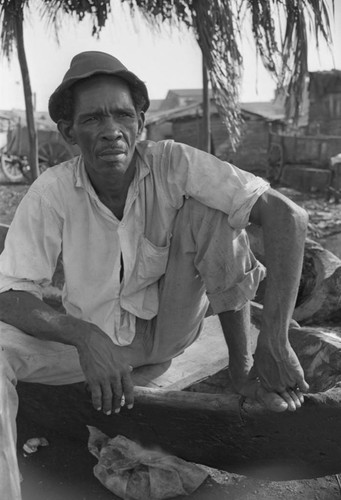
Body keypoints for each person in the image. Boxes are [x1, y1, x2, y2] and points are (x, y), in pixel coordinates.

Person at [0, 51, 309, 499]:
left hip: (168, 332)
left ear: (140, 122)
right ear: (69, 131)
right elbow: (10, 292)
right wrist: (85, 336)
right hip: (96, 347)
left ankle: (242, 370)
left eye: (123, 114)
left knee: (214, 211)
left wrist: (275, 341)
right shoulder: (52, 191)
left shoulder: (174, 163)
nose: (111, 130)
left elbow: (288, 217)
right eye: (92, 119)